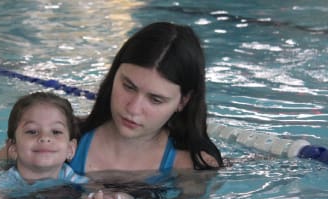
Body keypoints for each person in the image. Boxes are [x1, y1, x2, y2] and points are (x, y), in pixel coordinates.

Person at [70, 21, 223, 175]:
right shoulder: (62, 139)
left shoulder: (193, 166)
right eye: (128, 87)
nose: (133, 109)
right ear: (114, 75)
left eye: (155, 100)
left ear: (183, 101)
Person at [0, 92, 88, 196]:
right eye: (32, 131)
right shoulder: (6, 181)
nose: (45, 138)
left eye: (56, 132)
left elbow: (93, 193)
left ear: (70, 149)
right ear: (13, 148)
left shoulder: (72, 177)